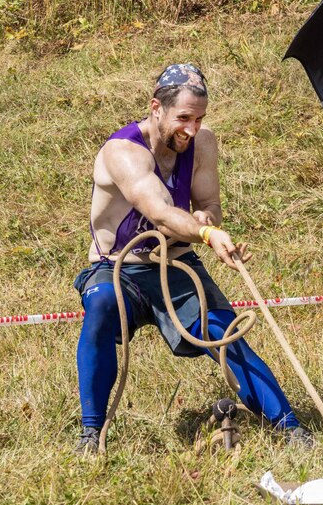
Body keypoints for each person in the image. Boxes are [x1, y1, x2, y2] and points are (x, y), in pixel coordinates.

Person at [73, 63, 310, 455]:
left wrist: (207, 220)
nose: (192, 129)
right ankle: (90, 434)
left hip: (178, 263)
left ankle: (292, 430)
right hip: (117, 267)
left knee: (225, 332)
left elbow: (210, 204)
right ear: (156, 108)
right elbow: (160, 211)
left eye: (199, 119)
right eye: (183, 118)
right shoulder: (123, 151)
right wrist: (207, 233)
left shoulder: (203, 143)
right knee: (100, 305)